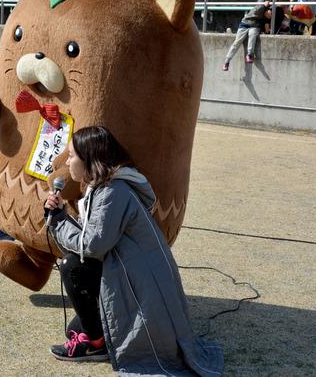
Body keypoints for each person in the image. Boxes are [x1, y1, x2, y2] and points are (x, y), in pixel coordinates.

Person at [44, 126, 223, 376]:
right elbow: (91, 241)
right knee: (78, 323)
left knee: (72, 267)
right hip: (130, 275)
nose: (67, 161)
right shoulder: (106, 187)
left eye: (72, 155)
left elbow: (91, 246)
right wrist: (60, 215)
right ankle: (96, 338)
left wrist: (60, 221)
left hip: (139, 285)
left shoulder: (112, 192)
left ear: (89, 160)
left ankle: (96, 346)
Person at [222, 2, 273, 71]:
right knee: (237, 43)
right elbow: (256, 10)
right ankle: (226, 62)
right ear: (267, 10)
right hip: (245, 23)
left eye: (272, 15)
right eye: (270, 13)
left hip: (255, 26)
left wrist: (267, 31)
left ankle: (249, 55)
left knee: (252, 36)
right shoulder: (261, 9)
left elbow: (267, 30)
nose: (270, 15)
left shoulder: (266, 19)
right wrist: (264, 5)